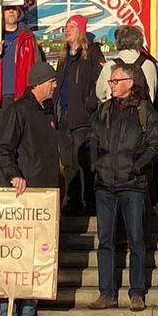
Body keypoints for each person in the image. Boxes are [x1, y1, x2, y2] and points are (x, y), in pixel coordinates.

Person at [0, 59, 63, 316]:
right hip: (25, 195)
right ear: (41, 83)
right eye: (52, 82)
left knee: (38, 257)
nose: (55, 87)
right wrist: (14, 175)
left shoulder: (48, 112)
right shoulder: (19, 110)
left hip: (46, 196)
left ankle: (30, 313)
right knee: (17, 257)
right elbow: (4, 148)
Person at [88, 63, 158, 310]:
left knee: (136, 240)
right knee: (105, 240)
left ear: (129, 83)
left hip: (133, 184)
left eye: (115, 81)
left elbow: (154, 145)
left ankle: (137, 292)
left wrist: (136, 167)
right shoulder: (103, 110)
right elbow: (92, 139)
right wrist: (96, 164)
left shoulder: (144, 110)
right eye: (110, 81)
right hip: (105, 184)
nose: (111, 85)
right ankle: (106, 292)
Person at [55, 15, 104, 214]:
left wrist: (89, 104)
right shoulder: (64, 57)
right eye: (66, 27)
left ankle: (89, 203)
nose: (67, 30)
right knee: (68, 163)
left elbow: (98, 82)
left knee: (85, 162)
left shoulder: (92, 53)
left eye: (72, 26)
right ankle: (72, 201)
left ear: (81, 31)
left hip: (83, 118)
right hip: (64, 116)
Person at [94, 24, 158, 112]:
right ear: (139, 41)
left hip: (115, 116)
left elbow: (100, 93)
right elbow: (151, 94)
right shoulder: (149, 65)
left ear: (118, 42)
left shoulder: (109, 65)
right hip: (141, 116)